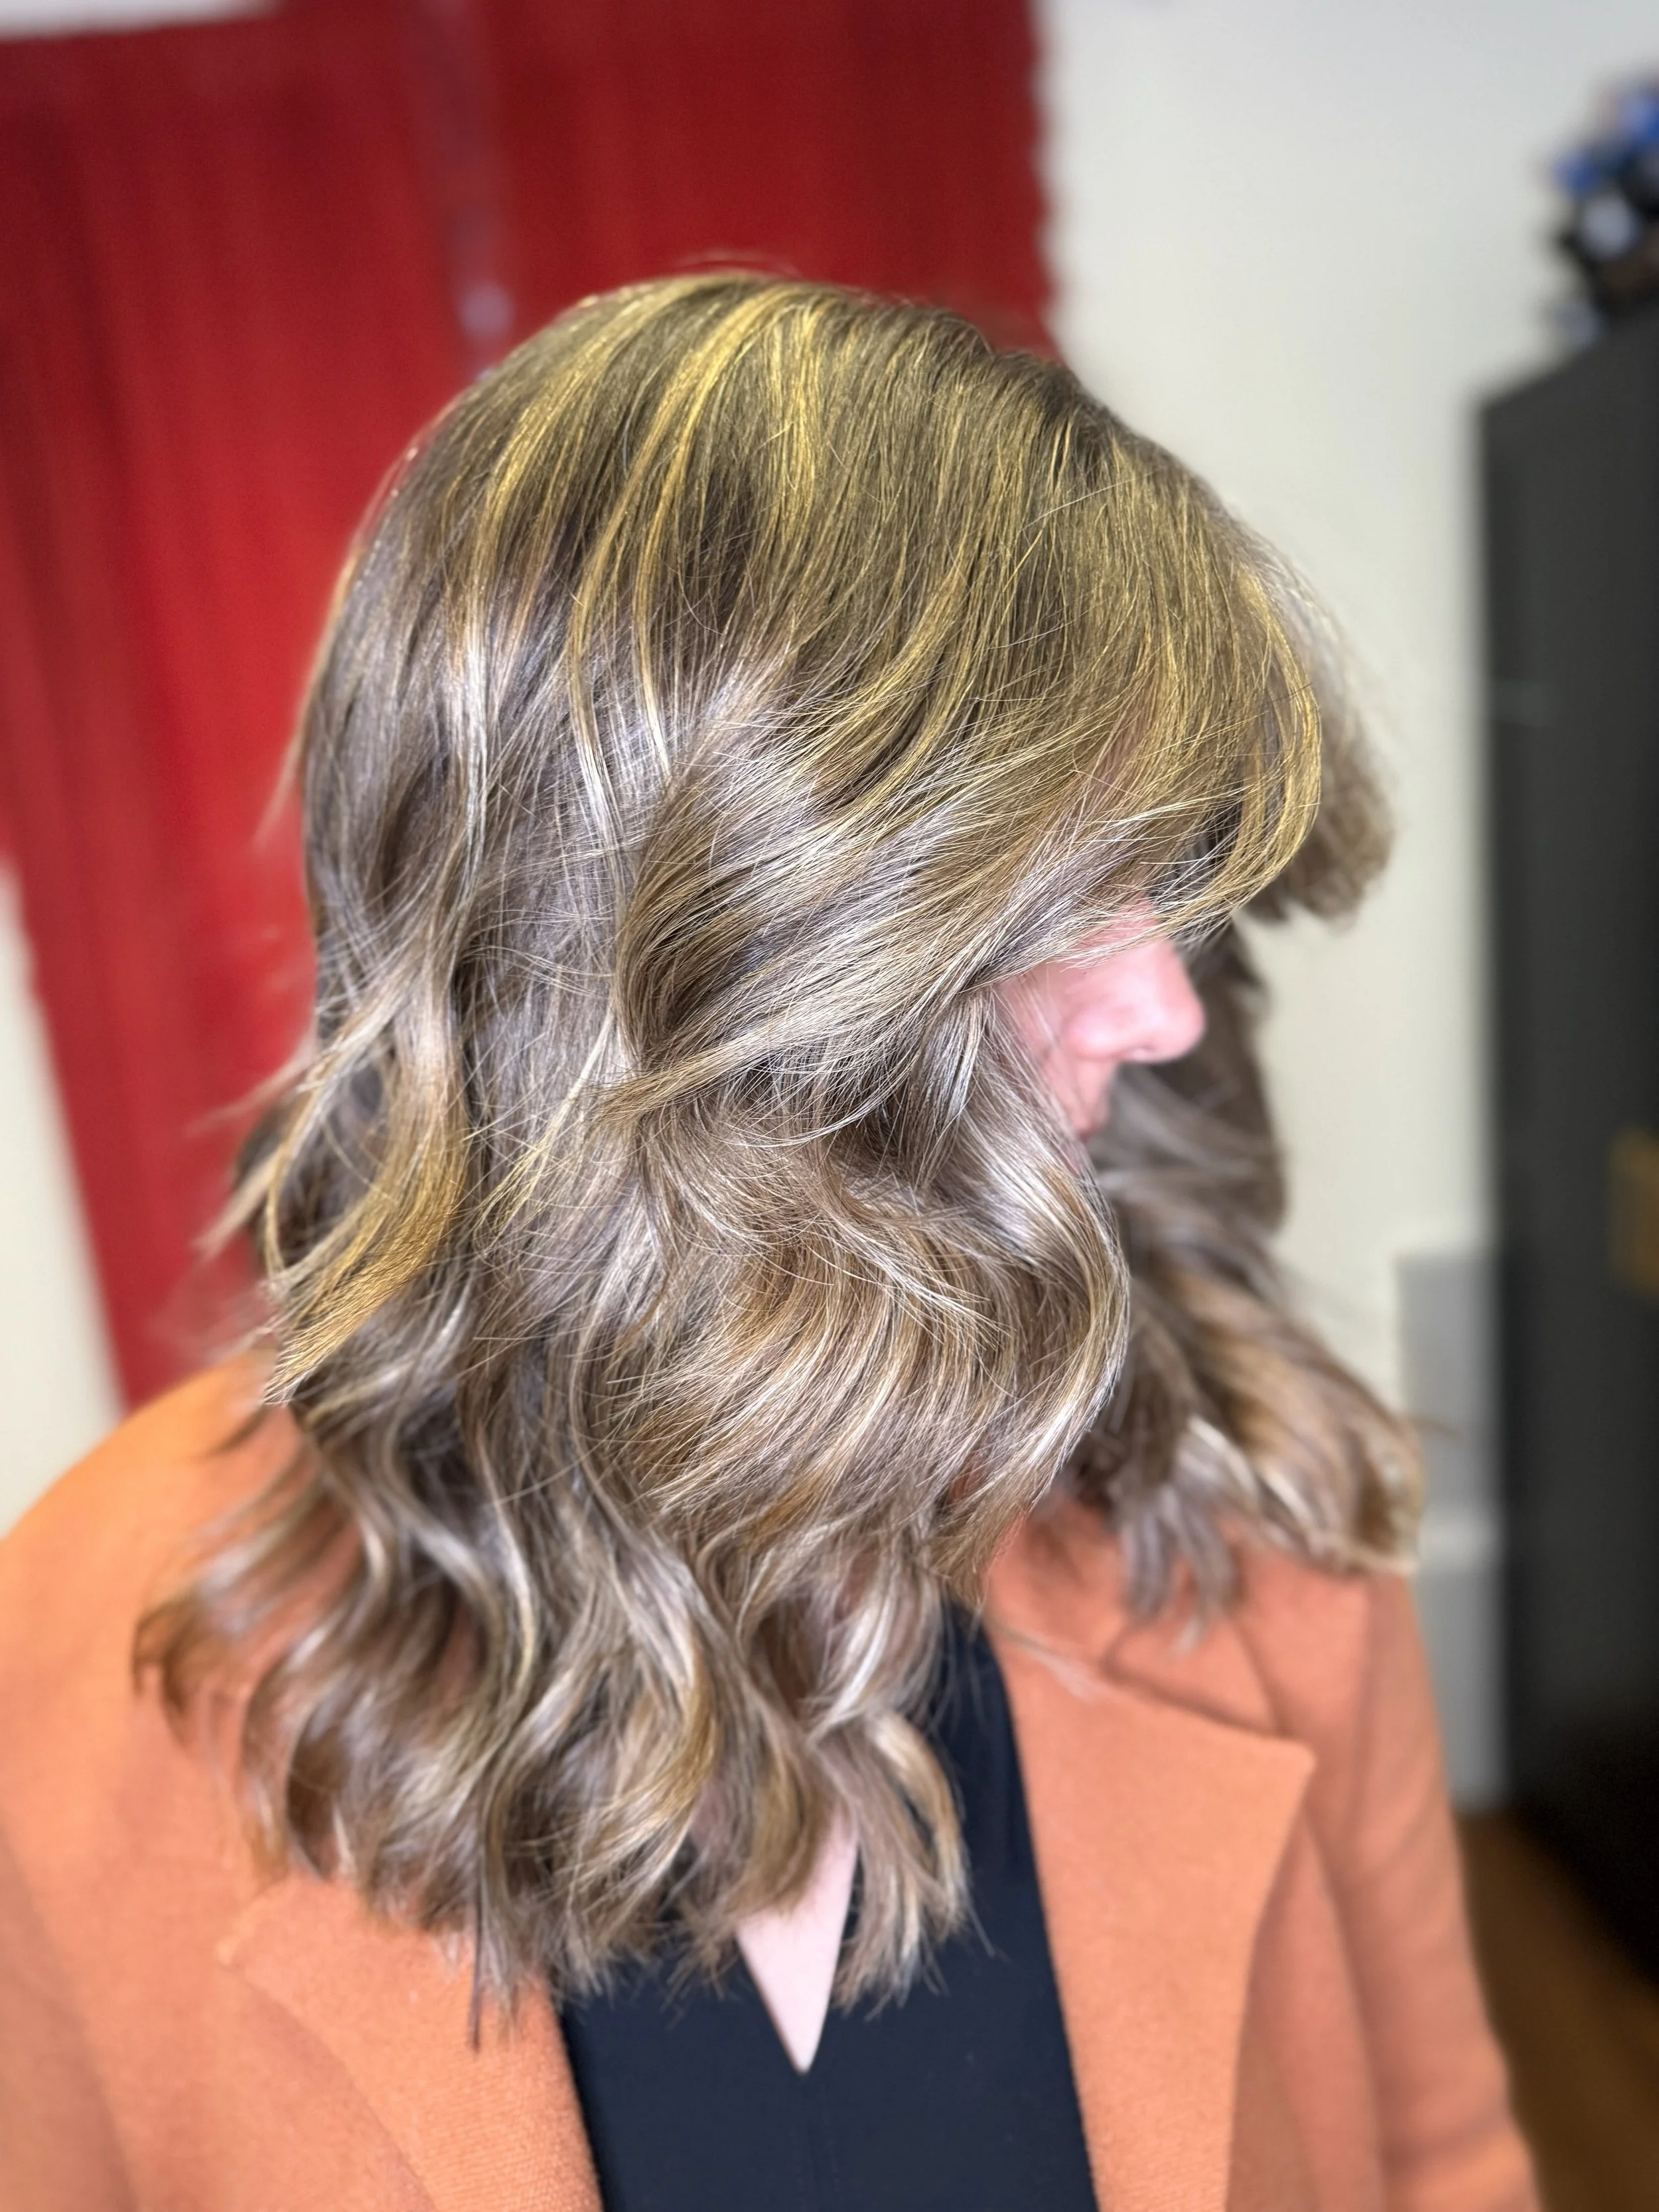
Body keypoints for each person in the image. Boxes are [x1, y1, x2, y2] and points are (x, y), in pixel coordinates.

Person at [0, 275, 1537, 2211]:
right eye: (1056, 891)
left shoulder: (1246, 1517)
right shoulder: (82, 1653)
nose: (1160, 1005)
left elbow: (1440, 2162)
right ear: (676, 972)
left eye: (1159, 871)